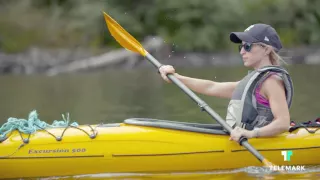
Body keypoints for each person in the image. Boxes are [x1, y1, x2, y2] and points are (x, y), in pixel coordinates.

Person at [158, 24, 294, 143]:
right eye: (241, 46)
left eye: (247, 46)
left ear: (266, 49)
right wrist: (176, 77)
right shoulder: (253, 82)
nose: (241, 51)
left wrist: (251, 134)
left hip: (257, 140)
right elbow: (211, 87)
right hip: (242, 137)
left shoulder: (271, 81)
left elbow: (283, 122)